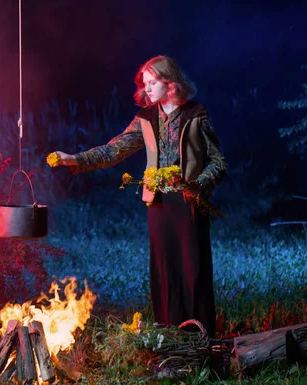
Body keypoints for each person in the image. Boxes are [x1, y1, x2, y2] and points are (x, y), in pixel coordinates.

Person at [52, 55, 227, 337]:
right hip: (158, 205)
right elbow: (114, 150)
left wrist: (198, 185)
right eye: (144, 84)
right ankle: (169, 340)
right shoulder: (145, 119)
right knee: (164, 274)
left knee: (194, 272)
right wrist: (74, 159)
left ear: (169, 82)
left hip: (190, 204)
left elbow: (218, 163)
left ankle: (201, 342)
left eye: (152, 82)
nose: (146, 89)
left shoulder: (196, 115)